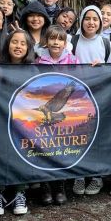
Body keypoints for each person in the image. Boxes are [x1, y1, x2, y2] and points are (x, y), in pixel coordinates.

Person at [72, 6, 111, 196]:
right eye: (87, 18)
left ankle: (96, 175)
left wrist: (103, 67)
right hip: (76, 98)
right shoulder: (71, 40)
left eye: (95, 19)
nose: (91, 22)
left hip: (99, 96)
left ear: (100, 23)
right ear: (81, 21)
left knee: (97, 135)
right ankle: (79, 175)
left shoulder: (106, 43)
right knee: (78, 135)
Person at [36, 25, 80, 206]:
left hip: (65, 112)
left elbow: (82, 82)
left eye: (60, 39)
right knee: (44, 149)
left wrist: (94, 67)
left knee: (61, 148)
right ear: (46, 41)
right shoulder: (38, 62)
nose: (56, 42)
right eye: (52, 38)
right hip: (45, 119)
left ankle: (60, 186)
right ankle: (45, 186)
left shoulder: (74, 60)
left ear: (65, 43)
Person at [0, 30, 36, 214]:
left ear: (28, 47)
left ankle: (20, 193)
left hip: (23, 122)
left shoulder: (34, 69)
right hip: (0, 119)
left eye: (23, 43)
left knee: (21, 154)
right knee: (0, 154)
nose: (18, 46)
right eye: (15, 42)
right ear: (8, 44)